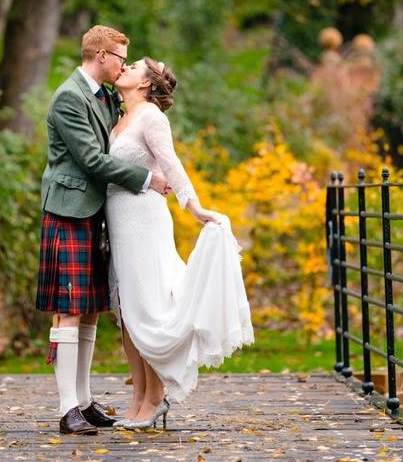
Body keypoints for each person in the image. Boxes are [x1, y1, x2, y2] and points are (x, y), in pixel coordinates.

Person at [106, 57, 254, 429]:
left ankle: (156, 397)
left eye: (133, 66)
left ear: (145, 83)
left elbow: (170, 163)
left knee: (147, 307)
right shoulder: (119, 116)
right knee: (127, 312)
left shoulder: (152, 117)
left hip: (144, 220)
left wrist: (193, 205)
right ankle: (139, 396)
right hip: (119, 223)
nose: (124, 67)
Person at [35, 26, 170, 436]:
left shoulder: (105, 95)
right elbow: (93, 160)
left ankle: (84, 401)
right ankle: (66, 409)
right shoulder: (68, 98)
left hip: (95, 213)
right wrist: (147, 180)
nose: (123, 65)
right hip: (69, 210)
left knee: (90, 309)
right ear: (102, 55)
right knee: (69, 310)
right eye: (120, 57)